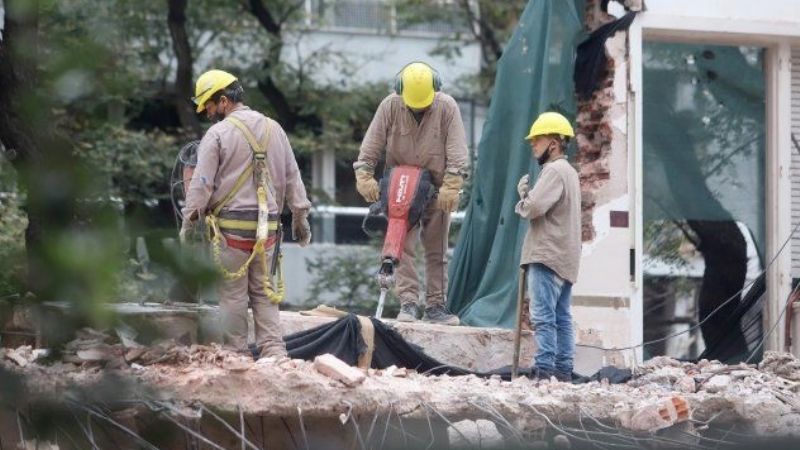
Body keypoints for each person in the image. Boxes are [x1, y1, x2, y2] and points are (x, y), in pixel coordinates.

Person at [181, 69, 312, 359]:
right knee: (265, 293)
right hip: (268, 231)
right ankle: (275, 353)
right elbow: (293, 177)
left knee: (233, 296)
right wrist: (300, 217)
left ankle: (236, 354)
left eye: (210, 106)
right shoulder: (274, 128)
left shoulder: (217, 134)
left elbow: (201, 185)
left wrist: (188, 226)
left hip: (232, 231)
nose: (208, 114)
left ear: (224, 101)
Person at [354, 62, 468, 325]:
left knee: (436, 250)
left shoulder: (447, 107)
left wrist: (452, 184)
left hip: (436, 189)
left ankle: (436, 306)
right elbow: (370, 146)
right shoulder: (390, 106)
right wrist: (364, 176)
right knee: (401, 248)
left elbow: (458, 150)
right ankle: (408, 303)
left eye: (424, 104)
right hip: (400, 188)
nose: (419, 108)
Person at [515, 112, 581, 381]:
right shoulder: (571, 172)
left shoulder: (553, 171)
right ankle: (563, 371)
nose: (533, 145)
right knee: (562, 316)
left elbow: (534, 208)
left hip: (547, 254)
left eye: (537, 140)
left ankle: (544, 370)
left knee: (543, 317)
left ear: (553, 143)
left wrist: (523, 197)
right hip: (565, 257)